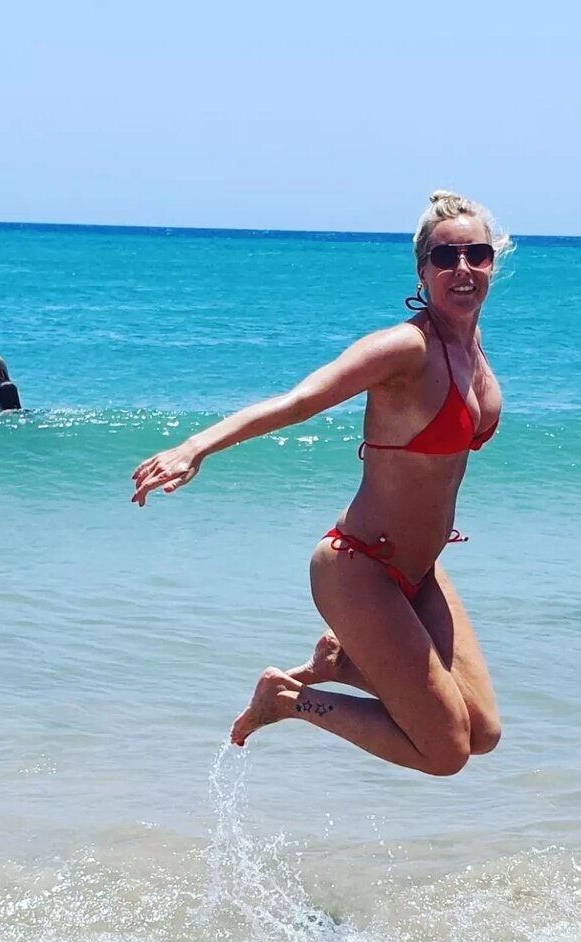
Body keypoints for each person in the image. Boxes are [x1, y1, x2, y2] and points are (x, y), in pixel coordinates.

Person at [131, 191, 510, 776]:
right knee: (446, 751)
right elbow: (301, 400)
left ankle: (342, 664)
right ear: (422, 271)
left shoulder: (475, 351)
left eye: (476, 254)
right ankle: (288, 699)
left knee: (482, 731)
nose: (462, 268)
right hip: (360, 567)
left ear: (492, 262)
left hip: (422, 571)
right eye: (445, 257)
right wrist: (194, 447)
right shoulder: (405, 349)